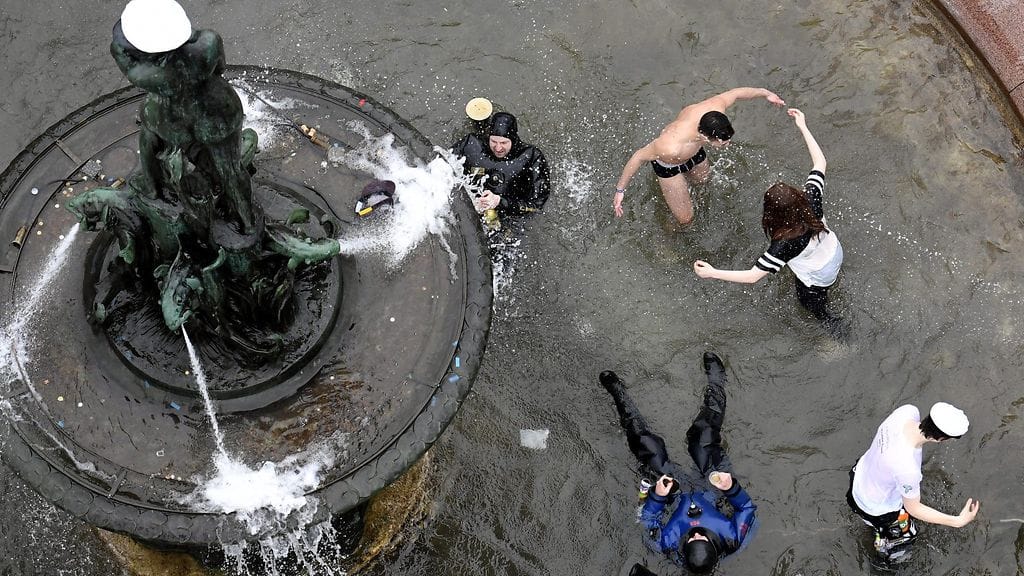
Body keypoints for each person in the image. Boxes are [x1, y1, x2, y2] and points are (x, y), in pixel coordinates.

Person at [600, 352, 756, 574]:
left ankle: (618, 393)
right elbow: (746, 508)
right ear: (713, 543)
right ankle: (717, 381)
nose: (696, 533)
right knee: (703, 438)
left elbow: (648, 521)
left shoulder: (668, 545)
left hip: (674, 498)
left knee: (647, 446)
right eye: (702, 536)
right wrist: (731, 488)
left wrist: (658, 496)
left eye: (692, 538)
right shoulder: (733, 538)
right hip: (712, 490)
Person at [693, 108, 844, 336]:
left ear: (773, 214)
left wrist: (712, 272)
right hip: (835, 251)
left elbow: (753, 276)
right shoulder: (810, 198)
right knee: (821, 279)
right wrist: (803, 126)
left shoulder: (785, 243)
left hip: (818, 274)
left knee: (814, 307)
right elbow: (820, 162)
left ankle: (837, 337)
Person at [614, 87, 785, 224]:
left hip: (694, 153)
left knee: (703, 183)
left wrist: (765, 93)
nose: (727, 144)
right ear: (705, 136)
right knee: (686, 219)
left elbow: (737, 93)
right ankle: (668, 231)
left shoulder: (714, 107)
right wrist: (620, 190)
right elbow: (638, 157)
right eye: (722, 142)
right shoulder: (670, 146)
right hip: (670, 166)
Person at [847, 402, 979, 560]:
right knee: (907, 537)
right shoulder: (908, 469)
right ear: (941, 439)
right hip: (873, 508)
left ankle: (876, 528)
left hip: (859, 476)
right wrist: (957, 521)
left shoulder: (907, 412)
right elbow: (914, 509)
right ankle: (884, 556)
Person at [451, 112, 551, 218]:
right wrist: (469, 204)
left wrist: (501, 202)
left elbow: (536, 206)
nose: (498, 148)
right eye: (494, 141)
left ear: (513, 139)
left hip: (509, 216)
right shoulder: (470, 145)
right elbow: (443, 168)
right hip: (471, 207)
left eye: (504, 143)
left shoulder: (531, 156)